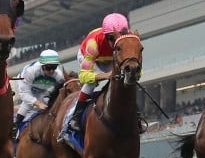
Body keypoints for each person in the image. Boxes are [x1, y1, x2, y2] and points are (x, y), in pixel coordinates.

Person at [60, 12, 130, 140]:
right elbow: (84, 77)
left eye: (120, 37)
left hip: (110, 59)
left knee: (125, 80)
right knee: (91, 83)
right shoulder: (94, 43)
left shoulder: (128, 41)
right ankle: (76, 117)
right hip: (91, 57)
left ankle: (134, 114)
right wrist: (106, 75)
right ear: (105, 36)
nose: (115, 43)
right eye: (111, 38)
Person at [13, 49, 66, 137]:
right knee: (28, 104)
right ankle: (15, 127)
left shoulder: (58, 75)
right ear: (42, 66)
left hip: (42, 87)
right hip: (26, 84)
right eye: (49, 67)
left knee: (47, 102)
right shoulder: (31, 72)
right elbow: (24, 94)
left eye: (54, 67)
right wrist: (37, 103)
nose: (52, 71)